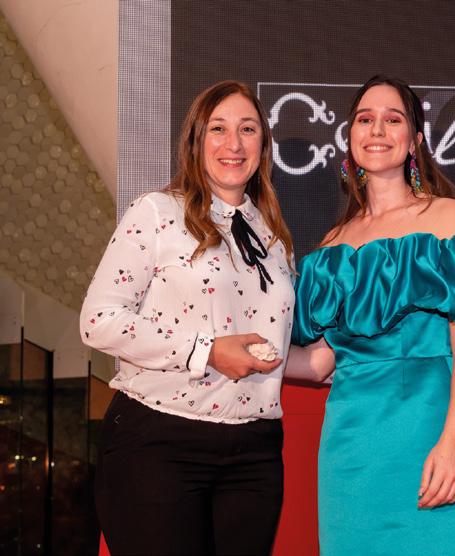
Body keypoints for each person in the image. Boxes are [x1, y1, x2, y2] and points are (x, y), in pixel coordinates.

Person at [286, 75, 455, 555]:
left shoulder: (446, 217)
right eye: (365, 119)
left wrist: (453, 442)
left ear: (415, 140)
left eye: (393, 119)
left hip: (433, 428)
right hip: (353, 451)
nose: (377, 130)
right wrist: (239, 352)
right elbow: (320, 363)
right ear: (350, 136)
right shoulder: (332, 246)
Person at [81, 80, 295, 556]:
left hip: (255, 453)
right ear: (196, 141)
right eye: (218, 128)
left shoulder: (272, 235)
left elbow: (263, 346)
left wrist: (341, 358)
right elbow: (99, 319)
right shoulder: (157, 212)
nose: (233, 143)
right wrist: (207, 351)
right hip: (159, 444)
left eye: (248, 129)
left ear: (264, 145)